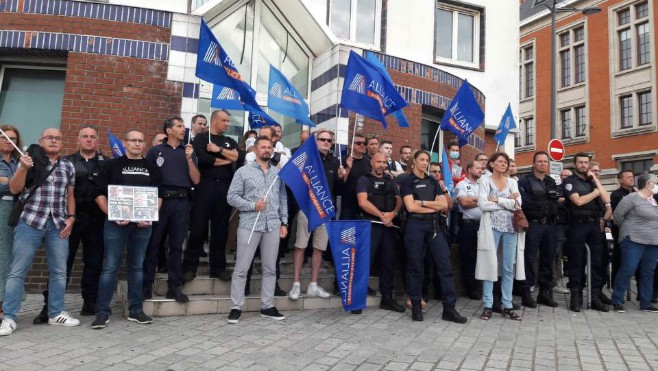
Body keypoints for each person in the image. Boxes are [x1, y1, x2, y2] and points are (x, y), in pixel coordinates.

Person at [0, 128, 78, 336]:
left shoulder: (68, 165)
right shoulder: (29, 161)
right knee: (18, 271)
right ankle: (9, 317)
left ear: (62, 143)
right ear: (40, 141)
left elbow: (70, 195)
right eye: (49, 138)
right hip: (30, 222)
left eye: (58, 138)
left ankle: (55, 313)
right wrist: (23, 169)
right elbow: (15, 189)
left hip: (58, 224)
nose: (54, 141)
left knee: (59, 272)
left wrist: (71, 217)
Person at [91, 129, 162, 329]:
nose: (137, 144)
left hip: (142, 226)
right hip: (115, 225)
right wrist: (111, 214)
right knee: (110, 267)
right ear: (125, 142)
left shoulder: (152, 168)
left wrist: (148, 216)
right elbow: (99, 194)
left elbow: (159, 196)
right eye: (133, 140)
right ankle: (102, 312)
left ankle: (136, 310)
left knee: (137, 267)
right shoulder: (111, 165)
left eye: (140, 141)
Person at [398, 150, 467, 323]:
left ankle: (449, 309)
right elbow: (410, 207)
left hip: (434, 226)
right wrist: (432, 206)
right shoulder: (407, 181)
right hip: (414, 225)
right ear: (414, 161)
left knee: (445, 265)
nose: (424, 162)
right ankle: (415, 306)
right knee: (415, 267)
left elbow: (444, 205)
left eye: (427, 160)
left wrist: (422, 202)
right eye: (421, 159)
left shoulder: (432, 181)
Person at [226, 137, 287, 324]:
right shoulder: (243, 172)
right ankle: (236, 307)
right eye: (263, 147)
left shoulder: (278, 173)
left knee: (270, 268)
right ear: (255, 149)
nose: (267, 150)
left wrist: (284, 222)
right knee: (241, 268)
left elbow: (283, 199)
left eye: (270, 147)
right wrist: (252, 205)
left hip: (272, 225)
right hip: (250, 224)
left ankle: (267, 306)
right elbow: (231, 197)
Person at [143, 116, 200, 303]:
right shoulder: (156, 151)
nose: (183, 129)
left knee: (176, 246)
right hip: (160, 200)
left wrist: (190, 159)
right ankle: (146, 285)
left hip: (181, 201)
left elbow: (196, 179)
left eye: (184, 126)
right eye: (179, 126)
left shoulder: (188, 151)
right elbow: (148, 178)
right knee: (153, 244)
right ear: (168, 130)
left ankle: (174, 287)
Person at [52, 126, 107, 319]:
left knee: (94, 263)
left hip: (97, 220)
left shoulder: (106, 164)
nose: (89, 140)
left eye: (93, 136)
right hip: (71, 220)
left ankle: (89, 302)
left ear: (98, 140)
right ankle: (51, 306)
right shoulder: (65, 162)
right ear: (78, 140)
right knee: (62, 263)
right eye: (85, 136)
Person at [183, 110, 243, 282]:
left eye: (228, 121)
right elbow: (205, 160)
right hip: (204, 186)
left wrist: (219, 150)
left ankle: (218, 268)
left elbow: (240, 156)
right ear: (214, 121)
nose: (227, 124)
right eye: (224, 120)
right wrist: (228, 157)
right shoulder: (202, 138)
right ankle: (189, 267)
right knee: (197, 229)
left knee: (220, 230)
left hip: (224, 188)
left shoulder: (229, 141)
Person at [289, 129, 345, 301]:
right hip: (307, 209)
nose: (326, 142)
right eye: (323, 139)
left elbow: (338, 191)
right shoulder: (307, 158)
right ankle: (296, 284)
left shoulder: (335, 162)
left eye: (329, 140)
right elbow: (294, 181)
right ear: (315, 141)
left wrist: (342, 177)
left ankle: (313, 284)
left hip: (325, 212)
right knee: (300, 246)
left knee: (319, 248)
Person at [476, 152, 525, 321]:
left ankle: (508, 305)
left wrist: (497, 200)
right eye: (501, 162)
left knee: (508, 267)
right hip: (492, 228)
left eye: (506, 162)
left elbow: (518, 204)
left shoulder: (512, 182)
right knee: (490, 265)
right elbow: (482, 204)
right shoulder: (484, 181)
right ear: (492, 164)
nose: (504, 164)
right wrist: (507, 202)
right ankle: (488, 305)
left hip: (511, 228)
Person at [563, 152, 612, 312]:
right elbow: (578, 201)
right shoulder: (570, 181)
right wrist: (595, 193)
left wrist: (596, 181)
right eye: (580, 162)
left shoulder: (592, 182)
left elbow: (606, 200)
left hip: (593, 225)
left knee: (597, 262)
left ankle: (595, 296)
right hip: (577, 225)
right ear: (575, 164)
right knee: (577, 261)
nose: (583, 165)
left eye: (586, 163)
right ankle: (575, 297)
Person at [357, 152, 404, 312]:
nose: (382, 165)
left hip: (389, 227)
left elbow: (399, 201)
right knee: (365, 262)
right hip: (370, 225)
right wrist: (382, 215)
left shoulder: (391, 181)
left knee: (388, 263)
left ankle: (387, 299)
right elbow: (362, 202)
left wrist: (393, 214)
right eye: (379, 162)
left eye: (384, 162)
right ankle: (357, 299)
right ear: (372, 162)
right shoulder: (364, 180)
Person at [517, 151, 559, 308]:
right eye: (540, 161)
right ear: (534, 163)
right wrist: (542, 202)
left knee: (548, 259)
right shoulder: (524, 181)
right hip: (533, 225)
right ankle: (526, 294)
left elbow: (555, 202)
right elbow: (525, 203)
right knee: (529, 259)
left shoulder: (550, 181)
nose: (543, 164)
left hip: (549, 225)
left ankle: (544, 294)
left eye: (545, 161)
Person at [611, 173, 658, 313]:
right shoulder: (631, 198)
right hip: (633, 239)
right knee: (628, 268)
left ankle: (646, 302)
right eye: (656, 182)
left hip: (653, 241)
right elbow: (618, 217)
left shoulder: (654, 200)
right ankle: (617, 300)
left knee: (648, 271)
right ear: (648, 184)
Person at [454, 161, 483, 300]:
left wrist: (475, 199)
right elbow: (464, 203)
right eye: (477, 168)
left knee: (482, 257)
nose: (480, 170)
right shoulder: (461, 185)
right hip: (468, 226)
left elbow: (490, 201)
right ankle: (471, 288)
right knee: (469, 257)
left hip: (483, 225)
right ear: (469, 169)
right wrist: (481, 200)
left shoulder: (484, 184)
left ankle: (480, 286)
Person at [0, 125, 21, 316]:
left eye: (13, 138)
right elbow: (13, 187)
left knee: (13, 256)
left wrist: (8, 181)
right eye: (4, 137)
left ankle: (8, 301)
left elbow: (22, 185)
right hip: (2, 208)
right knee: (3, 255)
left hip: (17, 210)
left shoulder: (19, 161)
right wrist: (13, 182)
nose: (8, 141)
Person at [610, 170, 635, 287]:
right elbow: (619, 214)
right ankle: (616, 287)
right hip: (622, 232)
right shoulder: (616, 194)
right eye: (628, 177)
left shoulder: (638, 192)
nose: (632, 178)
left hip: (639, 232)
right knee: (619, 261)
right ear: (620, 180)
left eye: (632, 177)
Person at [341, 132, 371, 220]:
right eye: (358, 143)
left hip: (365, 204)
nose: (362, 145)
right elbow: (340, 183)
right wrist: (348, 168)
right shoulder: (343, 160)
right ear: (350, 145)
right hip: (348, 205)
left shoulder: (368, 161)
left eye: (364, 143)